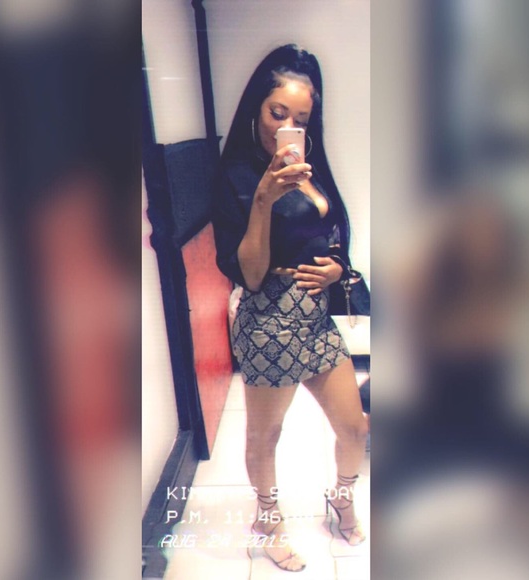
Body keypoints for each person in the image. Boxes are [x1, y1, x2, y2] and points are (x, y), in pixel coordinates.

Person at [212, 44, 368, 572]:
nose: (288, 128)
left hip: (314, 318)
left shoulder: (309, 164)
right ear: (257, 107)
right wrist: (263, 198)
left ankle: (340, 499)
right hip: (268, 323)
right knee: (265, 436)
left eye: (301, 119)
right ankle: (268, 522)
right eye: (278, 113)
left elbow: (330, 229)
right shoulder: (236, 175)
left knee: (355, 428)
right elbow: (251, 275)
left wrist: (338, 268)